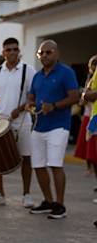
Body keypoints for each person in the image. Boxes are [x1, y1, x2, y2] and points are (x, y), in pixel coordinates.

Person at [27, 40, 79, 219]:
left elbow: (74, 96)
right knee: (38, 166)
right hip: (39, 126)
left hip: (59, 126)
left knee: (55, 164)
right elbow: (31, 96)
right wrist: (31, 105)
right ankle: (48, 201)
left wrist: (55, 106)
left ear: (56, 53)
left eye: (48, 52)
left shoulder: (66, 72)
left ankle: (60, 204)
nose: (45, 56)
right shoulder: (38, 76)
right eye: (41, 53)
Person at [0, 38, 36, 207]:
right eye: (9, 50)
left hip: (22, 120)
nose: (12, 52)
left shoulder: (28, 70)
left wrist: (21, 108)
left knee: (26, 158)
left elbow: (33, 97)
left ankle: (26, 195)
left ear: (19, 51)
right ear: (3, 52)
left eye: (15, 49)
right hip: (0, 120)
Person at [75, 55, 97, 177]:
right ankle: (90, 168)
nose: (91, 68)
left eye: (93, 64)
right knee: (90, 147)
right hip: (90, 115)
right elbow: (84, 99)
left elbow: (87, 96)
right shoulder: (90, 80)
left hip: (94, 116)